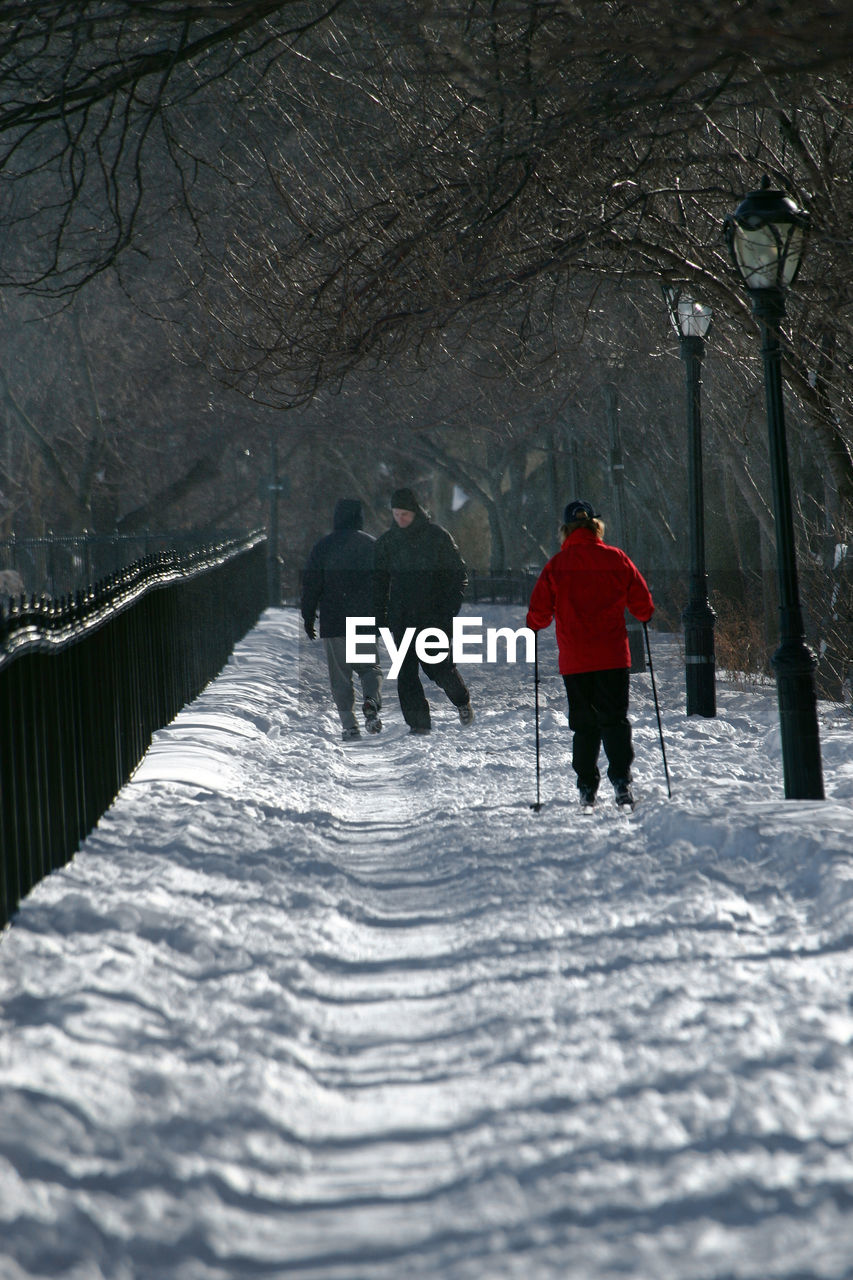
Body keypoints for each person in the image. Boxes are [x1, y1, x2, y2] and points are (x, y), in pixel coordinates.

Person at [526, 499, 654, 809]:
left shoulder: (556, 566)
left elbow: (538, 616)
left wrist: (534, 624)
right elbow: (644, 608)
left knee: (584, 725)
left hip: (576, 660)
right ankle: (621, 782)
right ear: (596, 526)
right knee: (615, 721)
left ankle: (586, 787)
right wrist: (639, 613)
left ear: (565, 530)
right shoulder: (616, 559)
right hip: (612, 657)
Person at [373, 486, 473, 734]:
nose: (400, 519)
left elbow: (457, 575)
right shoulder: (388, 543)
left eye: (404, 514)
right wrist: (380, 614)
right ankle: (419, 725)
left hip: (434, 617)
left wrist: (449, 609)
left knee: (438, 667)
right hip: (401, 617)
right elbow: (378, 582)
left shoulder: (437, 537)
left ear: (415, 512)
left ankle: (461, 701)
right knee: (405, 673)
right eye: (396, 514)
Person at [301, 498, 383, 741]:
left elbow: (311, 585)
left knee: (340, 677)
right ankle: (371, 702)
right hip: (364, 620)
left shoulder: (323, 547)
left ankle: (350, 726)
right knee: (369, 669)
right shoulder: (371, 545)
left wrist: (308, 616)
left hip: (334, 621)